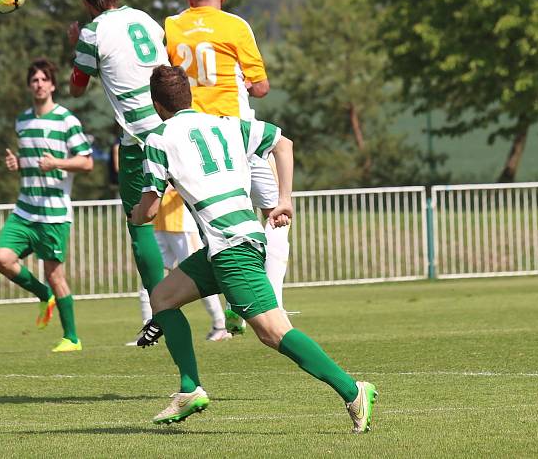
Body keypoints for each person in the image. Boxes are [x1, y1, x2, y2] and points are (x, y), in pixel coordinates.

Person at [131, 66, 377, 433]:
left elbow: (149, 209)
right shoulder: (225, 123)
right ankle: (188, 389)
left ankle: (352, 389)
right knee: (163, 297)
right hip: (229, 242)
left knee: (273, 332)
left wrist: (134, 216)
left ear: (155, 103)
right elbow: (283, 143)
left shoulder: (159, 138)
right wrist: (284, 199)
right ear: (190, 95)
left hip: (232, 247)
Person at [165, 0, 291, 334]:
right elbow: (262, 86)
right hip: (236, 136)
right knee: (274, 213)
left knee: (216, 232)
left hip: (194, 145)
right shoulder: (235, 26)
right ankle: (273, 304)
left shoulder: (171, 27)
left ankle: (234, 304)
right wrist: (245, 85)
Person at [67, 0, 167, 308]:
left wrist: (76, 45)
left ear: (86, 1)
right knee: (204, 209)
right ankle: (235, 299)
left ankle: (161, 306)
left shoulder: (93, 32)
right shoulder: (144, 19)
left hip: (139, 137)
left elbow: (77, 88)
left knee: (139, 225)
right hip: (174, 122)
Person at [0, 58, 94, 353]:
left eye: (43, 80)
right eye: (33, 80)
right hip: (25, 210)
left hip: (53, 214)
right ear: (29, 86)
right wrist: (17, 164)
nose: (38, 85)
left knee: (55, 275)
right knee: (2, 258)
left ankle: (72, 338)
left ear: (52, 85)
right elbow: (31, 162)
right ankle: (42, 295)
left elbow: (86, 162)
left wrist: (57, 163)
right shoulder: (23, 121)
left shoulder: (66, 120)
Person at [127, 186, 232, 345]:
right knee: (149, 277)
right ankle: (149, 331)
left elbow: (171, 182)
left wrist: (153, 190)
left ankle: (220, 325)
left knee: (200, 277)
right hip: (159, 225)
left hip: (182, 225)